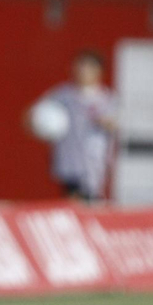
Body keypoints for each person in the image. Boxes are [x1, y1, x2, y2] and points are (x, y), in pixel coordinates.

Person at [39, 51, 117, 200]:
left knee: (91, 200)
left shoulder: (106, 98)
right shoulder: (63, 94)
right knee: (71, 199)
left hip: (93, 161)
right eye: (79, 67)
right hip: (68, 159)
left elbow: (115, 123)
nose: (82, 71)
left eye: (87, 67)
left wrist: (105, 122)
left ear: (98, 71)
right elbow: (37, 114)